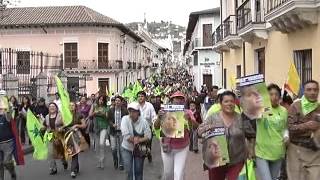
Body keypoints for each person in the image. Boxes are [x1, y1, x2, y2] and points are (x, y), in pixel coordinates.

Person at [198, 91, 246, 180]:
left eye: (232, 101)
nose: (229, 104)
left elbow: (249, 136)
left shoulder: (241, 119)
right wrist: (207, 128)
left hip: (237, 160)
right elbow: (199, 132)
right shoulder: (213, 117)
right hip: (216, 160)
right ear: (221, 103)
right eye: (226, 101)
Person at [154, 91, 199, 180]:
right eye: (176, 98)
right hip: (167, 147)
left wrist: (189, 119)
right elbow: (156, 127)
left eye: (181, 98)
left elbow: (195, 127)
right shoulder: (164, 111)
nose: (179, 100)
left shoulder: (188, 112)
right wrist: (159, 118)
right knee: (168, 174)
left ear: (184, 101)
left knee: (178, 174)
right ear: (171, 100)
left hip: (182, 147)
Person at [287, 80, 320, 180]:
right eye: (309, 90)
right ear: (304, 92)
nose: (312, 92)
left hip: (314, 151)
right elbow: (290, 128)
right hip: (296, 150)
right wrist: (307, 126)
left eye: (315, 90)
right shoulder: (295, 106)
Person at [255, 84, 288, 180]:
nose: (274, 97)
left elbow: (285, 128)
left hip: (278, 151)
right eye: (271, 94)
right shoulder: (262, 109)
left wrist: (286, 136)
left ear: (280, 96)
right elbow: (250, 111)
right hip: (262, 152)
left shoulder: (283, 111)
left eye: (276, 94)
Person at [121, 102, 151, 180]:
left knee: (138, 171)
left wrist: (140, 140)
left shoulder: (143, 121)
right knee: (128, 171)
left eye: (134, 111)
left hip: (139, 149)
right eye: (130, 111)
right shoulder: (124, 119)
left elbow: (148, 135)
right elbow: (126, 135)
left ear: (138, 112)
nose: (131, 113)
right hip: (126, 148)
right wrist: (135, 140)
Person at [0, 96, 24, 180]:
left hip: (8, 143)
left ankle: (12, 172)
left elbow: (9, 113)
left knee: (7, 162)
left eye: (1, 108)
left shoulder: (6, 116)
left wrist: (8, 105)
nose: (0, 109)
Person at [43, 102, 67, 175]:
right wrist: (42, 128)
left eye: (53, 106)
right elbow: (45, 125)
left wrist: (61, 128)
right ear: (49, 108)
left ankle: (64, 161)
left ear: (56, 108)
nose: (52, 107)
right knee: (50, 152)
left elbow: (65, 124)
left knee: (60, 151)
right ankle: (53, 168)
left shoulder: (60, 115)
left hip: (59, 135)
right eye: (50, 106)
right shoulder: (47, 116)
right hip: (50, 135)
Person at [107, 96, 128, 170]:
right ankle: (115, 160)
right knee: (114, 148)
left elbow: (127, 120)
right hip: (113, 132)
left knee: (121, 149)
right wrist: (112, 124)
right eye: (116, 100)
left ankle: (121, 163)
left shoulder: (125, 111)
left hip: (121, 132)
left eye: (119, 101)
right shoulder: (111, 110)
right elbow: (108, 120)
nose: (117, 102)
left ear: (121, 102)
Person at [89, 95, 109, 169]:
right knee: (96, 146)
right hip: (96, 127)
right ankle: (99, 161)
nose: (101, 101)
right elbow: (90, 115)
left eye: (102, 100)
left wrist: (102, 113)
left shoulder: (106, 107)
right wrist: (95, 112)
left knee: (101, 144)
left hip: (104, 126)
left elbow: (107, 117)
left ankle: (102, 161)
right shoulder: (94, 106)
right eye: (100, 99)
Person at [137, 91, 157, 163]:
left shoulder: (149, 106)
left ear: (145, 97)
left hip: (148, 128)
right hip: (137, 128)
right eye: (139, 96)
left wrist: (155, 124)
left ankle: (148, 153)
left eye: (142, 96)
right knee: (139, 145)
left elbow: (154, 116)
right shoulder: (135, 106)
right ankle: (140, 157)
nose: (140, 98)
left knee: (148, 144)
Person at [68, 102, 87, 178]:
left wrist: (76, 125)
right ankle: (76, 166)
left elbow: (84, 125)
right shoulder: (66, 115)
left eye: (73, 105)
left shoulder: (79, 115)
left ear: (75, 107)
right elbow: (62, 124)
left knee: (74, 153)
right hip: (67, 136)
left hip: (76, 135)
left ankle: (72, 170)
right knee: (72, 152)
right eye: (70, 105)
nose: (71, 106)